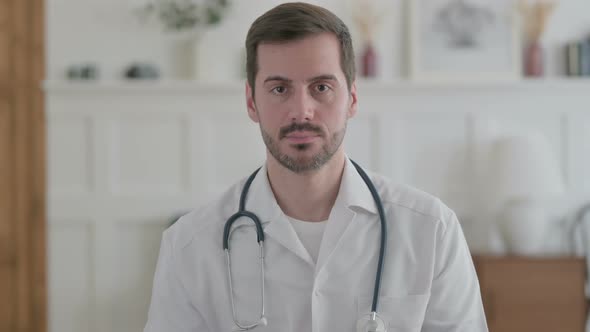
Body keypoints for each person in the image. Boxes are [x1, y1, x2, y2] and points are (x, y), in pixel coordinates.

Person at [144, 2, 488, 332]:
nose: (302, 111)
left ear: (352, 99)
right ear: (251, 102)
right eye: (279, 88)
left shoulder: (432, 231)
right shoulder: (190, 246)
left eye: (321, 87)